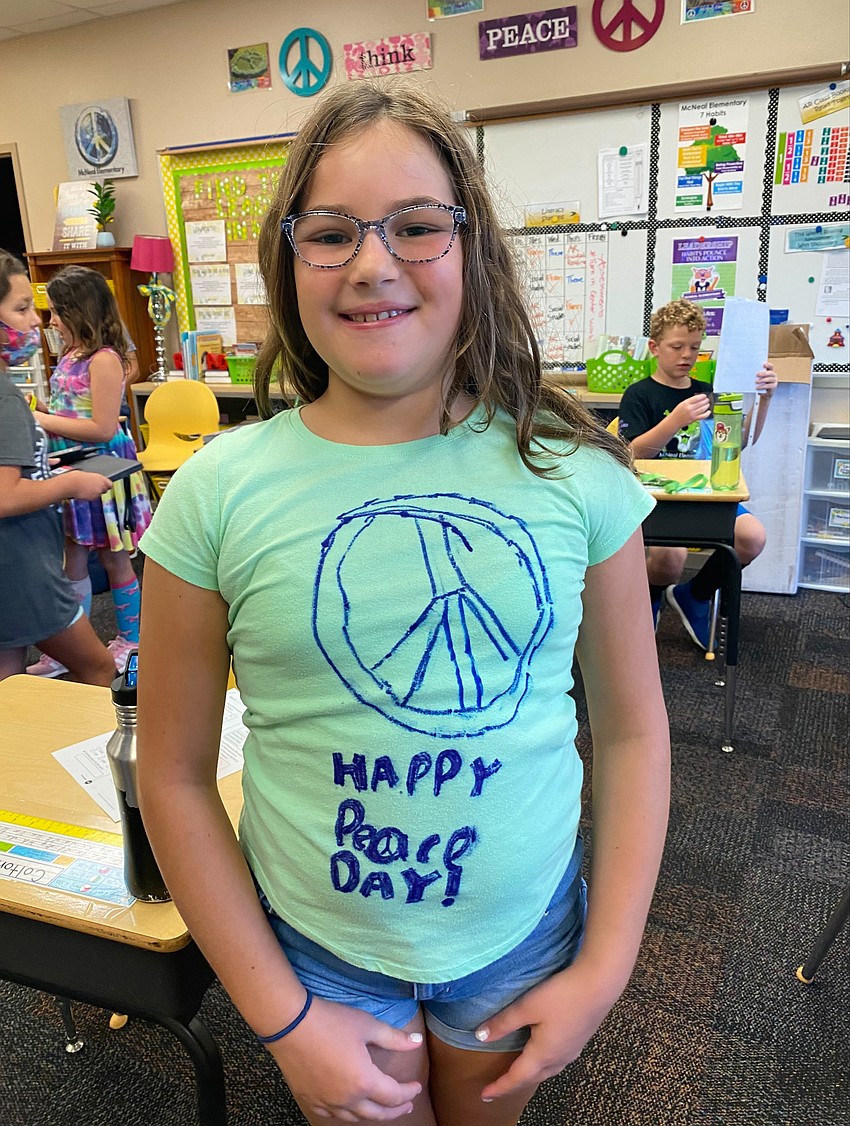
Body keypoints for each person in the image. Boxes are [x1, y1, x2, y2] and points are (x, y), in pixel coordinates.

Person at [137, 82, 670, 1126]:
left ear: (472, 249)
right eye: (331, 233)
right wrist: (283, 1017)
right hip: (318, 947)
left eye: (417, 226)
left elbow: (635, 733)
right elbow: (170, 774)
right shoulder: (216, 490)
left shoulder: (572, 475)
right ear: (288, 262)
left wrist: (607, 963)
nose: (375, 263)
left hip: (518, 933)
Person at [618, 299, 777, 649]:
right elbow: (631, 453)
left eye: (694, 347)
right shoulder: (639, 394)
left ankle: (696, 594)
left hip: (704, 494)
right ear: (655, 348)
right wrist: (674, 421)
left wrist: (764, 400)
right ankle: (652, 596)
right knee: (669, 557)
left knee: (752, 538)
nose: (686, 355)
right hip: (656, 497)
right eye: (677, 347)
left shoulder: (706, 391)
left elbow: (739, 443)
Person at [27, 265, 152, 677]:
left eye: (56, 312)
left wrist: (45, 422)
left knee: (114, 558)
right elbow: (72, 413)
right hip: (73, 470)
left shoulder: (105, 359)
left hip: (105, 471)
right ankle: (73, 648)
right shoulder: (69, 356)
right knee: (74, 556)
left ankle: (131, 642)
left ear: (78, 311)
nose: (51, 322)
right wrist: (43, 411)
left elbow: (101, 427)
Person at [0, 250, 115, 685]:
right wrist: (70, 484)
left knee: (8, 683)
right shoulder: (6, 400)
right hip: (21, 565)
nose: (35, 322)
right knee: (100, 669)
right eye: (21, 308)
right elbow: (5, 496)